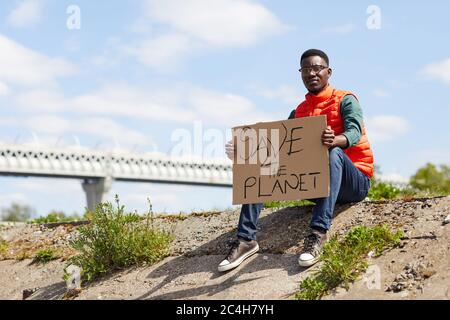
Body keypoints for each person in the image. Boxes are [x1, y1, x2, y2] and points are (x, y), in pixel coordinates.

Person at [219, 49, 374, 272]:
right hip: (318, 183)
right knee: (261, 158)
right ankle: (246, 240)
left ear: (328, 72)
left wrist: (336, 140)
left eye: (317, 68)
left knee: (333, 153)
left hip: (354, 181)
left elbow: (354, 133)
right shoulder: (299, 111)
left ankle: (318, 234)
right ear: (300, 74)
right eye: (306, 69)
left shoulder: (346, 100)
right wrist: (244, 152)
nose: (312, 73)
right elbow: (281, 149)